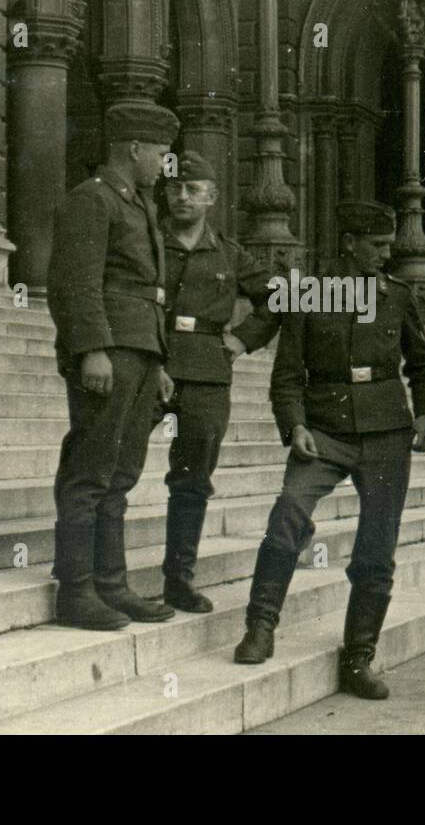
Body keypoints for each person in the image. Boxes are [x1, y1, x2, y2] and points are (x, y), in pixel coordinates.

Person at [232, 200, 425, 700]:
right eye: (376, 246)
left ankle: (359, 658)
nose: (385, 256)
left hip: (388, 433)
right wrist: (295, 425)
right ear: (349, 244)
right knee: (288, 513)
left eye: (390, 246)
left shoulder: (397, 296)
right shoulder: (309, 296)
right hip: (324, 430)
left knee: (377, 547)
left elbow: (423, 366)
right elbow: (286, 378)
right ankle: (260, 627)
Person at [45, 101, 180, 630]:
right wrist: (91, 349)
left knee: (120, 474)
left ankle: (111, 585)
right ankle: (76, 591)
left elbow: (148, 292)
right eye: (162, 152)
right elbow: (75, 282)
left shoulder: (138, 203)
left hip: (140, 351)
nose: (165, 163)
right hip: (110, 351)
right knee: (91, 471)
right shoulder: (92, 201)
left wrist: (159, 357)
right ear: (135, 148)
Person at [149, 151, 281, 613]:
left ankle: (178, 581)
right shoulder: (147, 241)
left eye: (192, 189)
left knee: (192, 480)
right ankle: (93, 571)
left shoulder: (229, 253)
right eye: (174, 188)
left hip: (207, 371)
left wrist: (242, 341)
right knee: (114, 464)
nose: (181, 196)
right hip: (150, 363)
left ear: (211, 197)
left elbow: (277, 296)